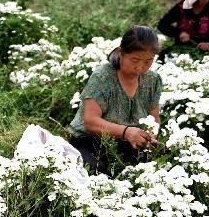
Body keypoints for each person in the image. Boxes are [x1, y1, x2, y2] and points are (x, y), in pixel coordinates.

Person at [69, 26, 162, 174]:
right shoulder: (103, 77)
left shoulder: (152, 80)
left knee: (148, 171)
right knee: (94, 172)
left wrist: (150, 137)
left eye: (148, 61)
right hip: (91, 142)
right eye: (135, 60)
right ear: (121, 52)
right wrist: (126, 132)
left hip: (128, 143)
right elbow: (90, 121)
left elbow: (154, 116)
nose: (140, 67)